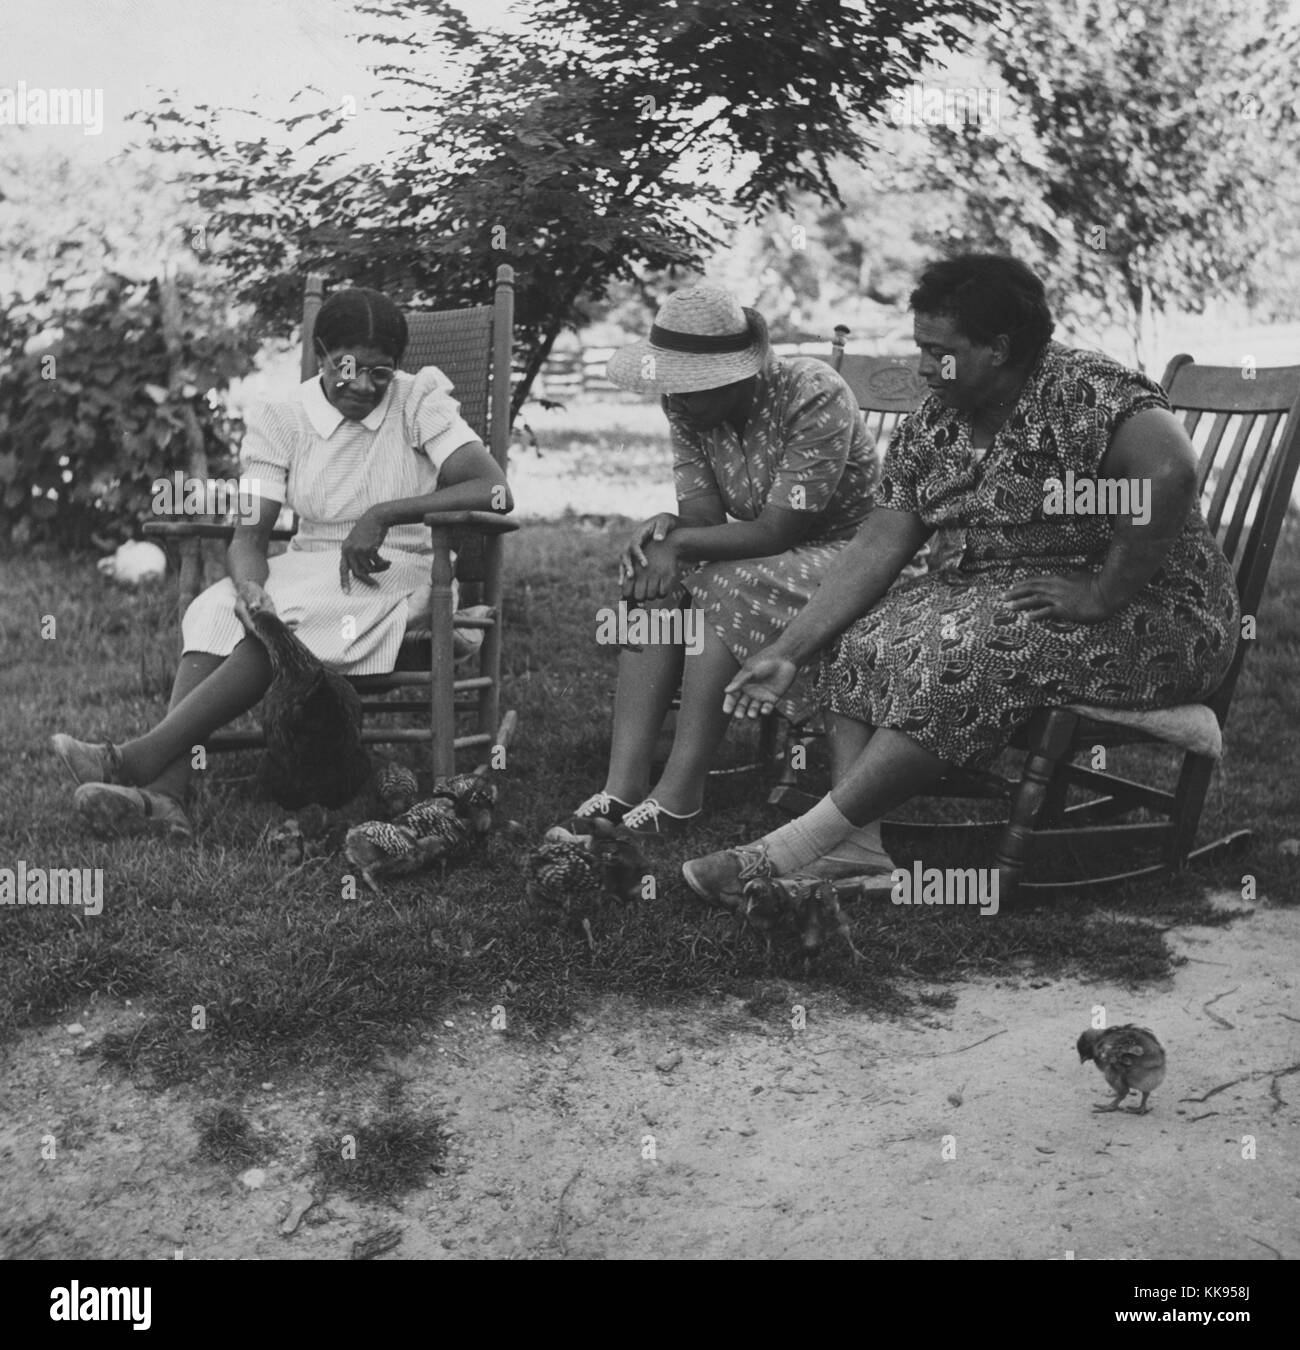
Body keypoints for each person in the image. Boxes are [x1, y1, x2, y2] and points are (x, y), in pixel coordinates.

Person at [681, 253, 1240, 904]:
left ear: (998, 348)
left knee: (968, 649)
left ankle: (794, 847)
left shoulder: (1086, 391)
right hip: (1011, 597)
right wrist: (787, 651)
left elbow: (1170, 472)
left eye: (936, 350)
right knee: (864, 632)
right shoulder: (938, 418)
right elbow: (880, 542)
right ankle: (859, 850)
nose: (921, 367)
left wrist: (1103, 591)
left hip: (1158, 618)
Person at [53, 285, 511, 838]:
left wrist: (386, 513)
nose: (365, 386)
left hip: (395, 571)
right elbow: (251, 535)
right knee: (219, 608)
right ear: (319, 353)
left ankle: (133, 763)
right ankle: (165, 796)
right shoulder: (283, 416)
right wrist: (249, 585)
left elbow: (493, 490)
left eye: (381, 373)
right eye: (348, 368)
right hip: (309, 562)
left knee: (280, 625)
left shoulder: (417, 401)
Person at [565, 280, 887, 852]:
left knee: (716, 582)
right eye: (670, 386)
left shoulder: (813, 392)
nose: (675, 400)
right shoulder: (687, 408)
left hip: (857, 557)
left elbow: (777, 530)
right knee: (652, 587)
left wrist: (683, 546)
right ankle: (622, 784)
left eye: (690, 387)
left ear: (739, 374)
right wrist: (669, 531)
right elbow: (705, 515)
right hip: (770, 559)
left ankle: (680, 791)